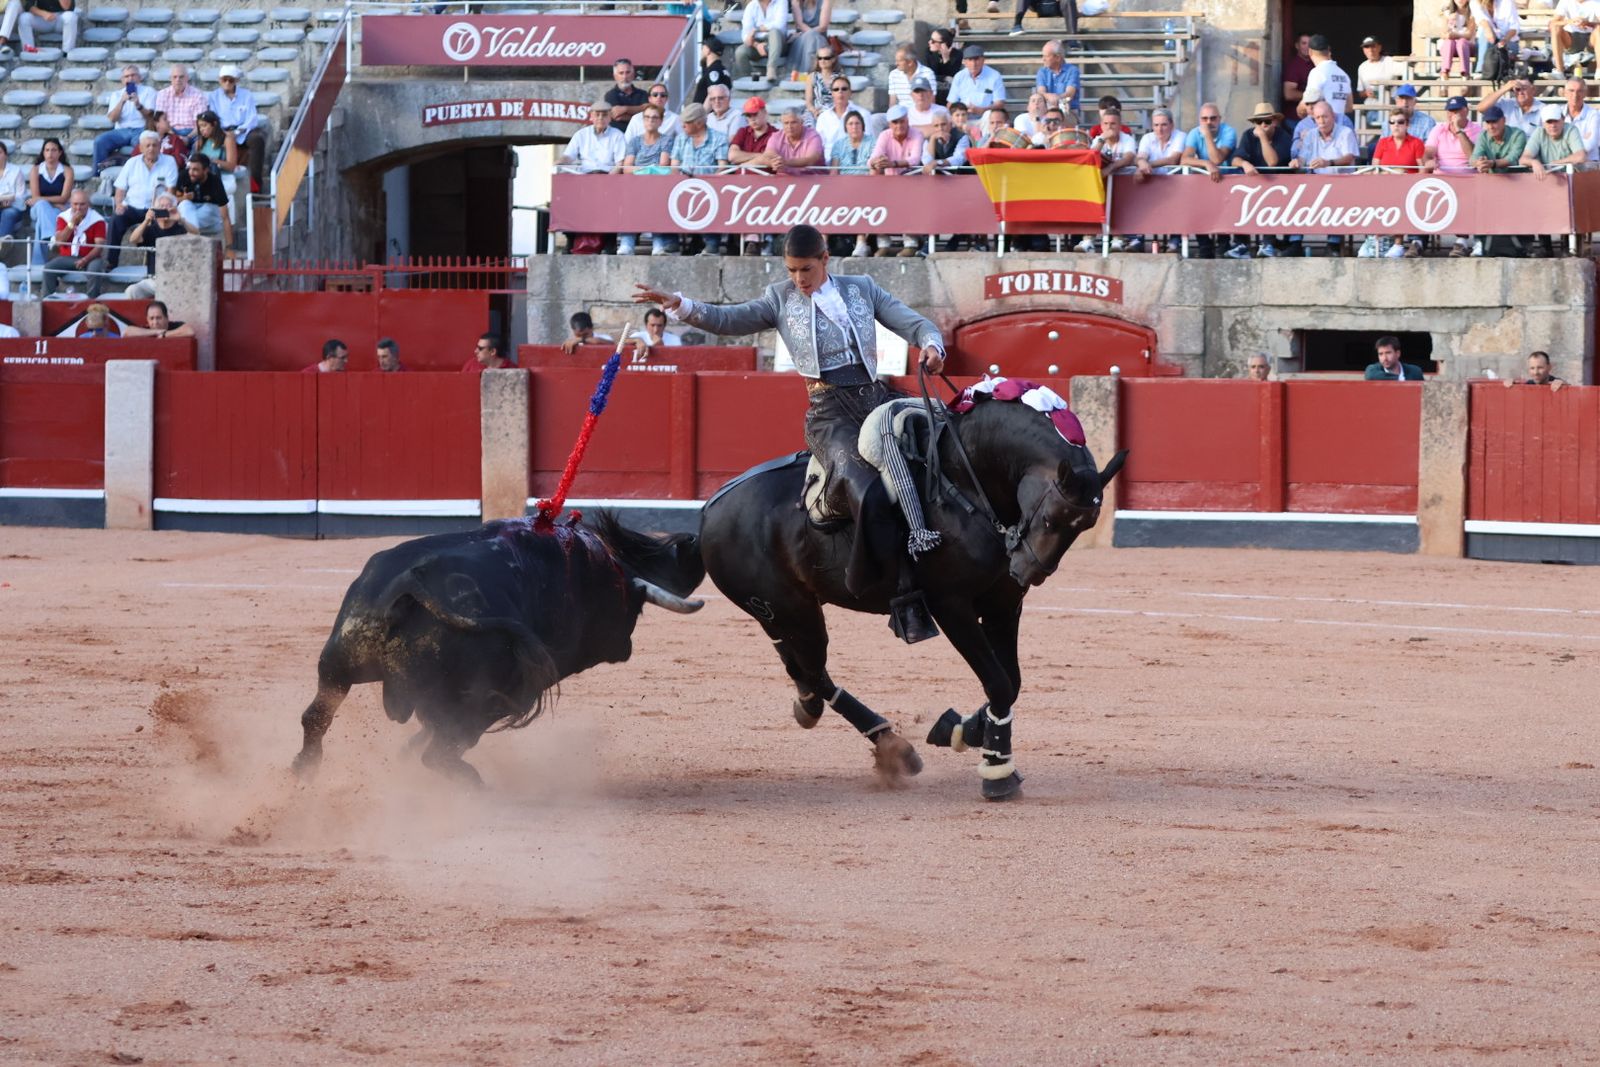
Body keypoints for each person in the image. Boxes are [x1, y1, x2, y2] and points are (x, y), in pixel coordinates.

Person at [633, 223, 949, 644]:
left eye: (806, 269)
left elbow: (912, 323)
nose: (799, 278)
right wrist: (681, 305)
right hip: (829, 412)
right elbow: (729, 319)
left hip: (878, 401)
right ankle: (902, 595)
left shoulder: (862, 288)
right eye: (792, 270)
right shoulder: (778, 298)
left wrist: (932, 345)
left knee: (937, 459)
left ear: (825, 260)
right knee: (867, 488)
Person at [1226, 103, 1293, 258]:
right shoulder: (1248, 135)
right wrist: (1244, 163)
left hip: (1279, 186)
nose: (1263, 125)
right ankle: (1241, 245)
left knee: (1270, 198)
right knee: (1238, 197)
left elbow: (1272, 162)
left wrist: (1262, 137)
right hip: (1255, 184)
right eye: (1258, 122)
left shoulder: (1283, 136)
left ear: (1275, 122)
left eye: (1267, 122)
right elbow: (1235, 159)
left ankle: (1268, 243)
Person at [1520, 104, 1587, 256]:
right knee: (1535, 202)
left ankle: (1568, 247)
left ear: (1563, 119)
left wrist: (1554, 164)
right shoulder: (1539, 132)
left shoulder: (1571, 130)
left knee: (1572, 204)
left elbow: (1581, 156)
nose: (1552, 125)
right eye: (1549, 122)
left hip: (1571, 182)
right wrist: (1534, 162)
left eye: (1556, 121)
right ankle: (1545, 247)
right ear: (1543, 123)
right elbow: (1523, 158)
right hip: (1548, 183)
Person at [1291, 101, 1357, 256]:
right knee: (1295, 197)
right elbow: (1303, 158)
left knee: (1337, 198)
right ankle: (1294, 242)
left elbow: (1349, 157)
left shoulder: (1345, 132)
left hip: (1341, 183)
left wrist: (1328, 162)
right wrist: (1296, 162)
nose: (1321, 121)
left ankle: (1333, 244)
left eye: (1325, 117)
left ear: (1333, 116)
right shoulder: (1311, 134)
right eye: (1318, 118)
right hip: (1316, 182)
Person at [666, 102, 730, 256]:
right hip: (683, 186)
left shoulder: (719, 138)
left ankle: (711, 244)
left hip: (711, 187)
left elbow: (722, 167)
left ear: (699, 123)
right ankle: (671, 243)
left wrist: (709, 182)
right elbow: (674, 166)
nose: (683, 126)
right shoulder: (681, 139)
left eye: (686, 123)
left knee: (711, 198)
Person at [107, 132, 179, 268]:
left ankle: (156, 268)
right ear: (140, 148)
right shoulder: (132, 163)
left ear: (160, 147)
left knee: (160, 227)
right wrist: (119, 204)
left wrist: (163, 209)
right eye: (147, 145)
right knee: (116, 219)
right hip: (132, 207)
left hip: (157, 209)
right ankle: (111, 261)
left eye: (154, 145)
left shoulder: (169, 162)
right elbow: (120, 188)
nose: (151, 148)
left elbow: (170, 191)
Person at [1179, 101, 1236, 258]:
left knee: (1223, 213)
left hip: (1226, 180)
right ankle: (1204, 245)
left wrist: (1207, 136)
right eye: (1204, 119)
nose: (1209, 122)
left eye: (1213, 118)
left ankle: (1223, 244)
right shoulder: (1194, 133)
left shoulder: (1229, 132)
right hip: (1204, 181)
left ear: (1220, 119)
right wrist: (1205, 163)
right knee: (1196, 207)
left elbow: (1217, 158)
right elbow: (1184, 159)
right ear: (1199, 120)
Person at [619, 104, 674, 256]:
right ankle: (626, 244)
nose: (650, 121)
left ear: (661, 121)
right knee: (628, 203)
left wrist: (641, 169)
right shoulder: (635, 141)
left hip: (658, 185)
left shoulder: (666, 140)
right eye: (647, 117)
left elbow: (663, 165)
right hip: (635, 186)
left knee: (656, 203)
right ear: (643, 120)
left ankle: (658, 245)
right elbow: (626, 168)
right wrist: (648, 169)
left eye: (655, 118)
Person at [1372, 109, 1428, 257]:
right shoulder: (1383, 143)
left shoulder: (1416, 143)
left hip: (1409, 188)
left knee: (1405, 200)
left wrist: (1405, 176)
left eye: (1400, 122)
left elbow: (1423, 170)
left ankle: (1400, 244)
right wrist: (1391, 173)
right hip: (1385, 188)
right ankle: (1380, 243)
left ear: (1407, 125)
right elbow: (1375, 168)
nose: (1396, 125)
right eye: (1392, 122)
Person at [119, 191, 196, 297]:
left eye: (168, 206)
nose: (165, 209)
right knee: (132, 291)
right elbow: (133, 239)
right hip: (154, 280)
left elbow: (197, 236)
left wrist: (181, 219)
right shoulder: (151, 229)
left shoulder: (181, 228)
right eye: (161, 206)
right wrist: (146, 221)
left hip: (176, 278)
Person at [206, 65, 267, 194]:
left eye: (231, 80)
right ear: (219, 80)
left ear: (236, 81)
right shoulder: (214, 96)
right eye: (224, 80)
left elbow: (252, 118)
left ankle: (256, 185)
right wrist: (226, 133)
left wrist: (238, 131)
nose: (227, 83)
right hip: (222, 131)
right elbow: (213, 117)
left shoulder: (246, 95)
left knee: (257, 139)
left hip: (242, 130)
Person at [94, 65, 158, 175]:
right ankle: (98, 174)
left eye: (133, 75)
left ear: (139, 77)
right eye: (127, 76)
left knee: (142, 144)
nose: (130, 79)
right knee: (100, 141)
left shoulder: (149, 91)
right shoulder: (117, 95)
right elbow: (112, 119)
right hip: (121, 131)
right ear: (122, 80)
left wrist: (138, 105)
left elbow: (151, 116)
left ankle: (141, 175)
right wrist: (122, 101)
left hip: (141, 128)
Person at [41, 189, 105, 297]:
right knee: (48, 269)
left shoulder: (97, 220)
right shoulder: (63, 217)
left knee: (94, 271)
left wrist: (85, 259)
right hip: (68, 257)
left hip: (90, 257)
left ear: (88, 204)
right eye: (75, 204)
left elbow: (99, 246)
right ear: (71, 204)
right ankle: (48, 301)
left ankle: (92, 303)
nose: (78, 208)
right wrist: (72, 223)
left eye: (82, 204)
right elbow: (60, 241)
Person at [28, 137, 72, 265]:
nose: (50, 153)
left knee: (40, 225)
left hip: (61, 208)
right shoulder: (36, 170)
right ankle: (54, 237)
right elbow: (36, 197)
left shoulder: (67, 171)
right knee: (42, 205)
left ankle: (38, 264)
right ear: (43, 153)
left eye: (53, 150)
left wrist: (55, 202)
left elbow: (64, 197)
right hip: (41, 209)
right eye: (47, 150)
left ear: (60, 153)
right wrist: (56, 203)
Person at [173, 153, 231, 243]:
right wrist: (184, 198)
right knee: (185, 204)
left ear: (206, 170)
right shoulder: (184, 175)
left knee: (207, 209)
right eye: (190, 168)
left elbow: (225, 216)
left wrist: (229, 246)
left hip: (211, 219)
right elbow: (174, 200)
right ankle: (194, 236)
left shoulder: (215, 181)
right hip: (191, 212)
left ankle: (190, 231)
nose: (191, 172)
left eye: (195, 169)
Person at [736, 0, 787, 86]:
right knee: (740, 52)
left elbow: (779, 24)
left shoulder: (781, 2)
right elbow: (746, 35)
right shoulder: (751, 6)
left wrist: (757, 29)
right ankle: (748, 81)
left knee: (774, 32)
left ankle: (771, 69)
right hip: (757, 42)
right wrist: (756, 45)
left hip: (778, 43)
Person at [1300, 35, 1352, 120]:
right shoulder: (1344, 74)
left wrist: (1300, 108)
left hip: (1322, 126)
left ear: (1310, 52)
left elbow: (1307, 107)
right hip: (1340, 125)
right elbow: (1349, 107)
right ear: (1328, 50)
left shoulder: (1317, 73)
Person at [0, 0, 78, 56]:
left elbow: (66, 7)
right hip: (43, 19)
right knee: (24, 17)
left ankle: (67, 52)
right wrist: (43, 14)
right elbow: (28, 6)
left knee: (71, 17)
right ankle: (29, 51)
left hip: (61, 18)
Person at [816, 78, 869, 155]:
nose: (840, 92)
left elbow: (868, 142)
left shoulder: (863, 114)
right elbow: (818, 145)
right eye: (836, 89)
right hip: (828, 161)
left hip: (854, 161)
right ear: (832, 94)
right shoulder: (823, 117)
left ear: (850, 92)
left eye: (844, 89)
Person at [154, 65, 206, 137]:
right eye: (175, 77)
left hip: (193, 132)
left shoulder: (198, 95)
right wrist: (177, 138)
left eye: (181, 77)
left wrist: (187, 138)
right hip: (170, 131)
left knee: (198, 145)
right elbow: (161, 122)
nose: (178, 79)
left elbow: (201, 123)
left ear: (187, 78)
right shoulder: (162, 95)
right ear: (170, 79)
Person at [949, 45, 1006, 110]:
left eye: (976, 59)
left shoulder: (994, 75)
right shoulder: (959, 76)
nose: (973, 64)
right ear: (964, 62)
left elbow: (1000, 103)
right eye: (970, 60)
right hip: (963, 115)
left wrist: (982, 110)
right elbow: (951, 102)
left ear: (983, 60)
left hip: (986, 115)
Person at [1561, 75, 1600, 161]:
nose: (1575, 95)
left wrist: (1564, 144)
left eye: (1580, 91)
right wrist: (1582, 140)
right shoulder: (1558, 113)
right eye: (1571, 91)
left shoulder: (1593, 115)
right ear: (1564, 93)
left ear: (1585, 94)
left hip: (1588, 164)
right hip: (1562, 164)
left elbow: (1590, 145)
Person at [119, 300, 195, 339]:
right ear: (147, 320)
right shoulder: (146, 330)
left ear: (166, 318)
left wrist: (165, 334)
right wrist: (156, 332)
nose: (155, 322)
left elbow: (190, 331)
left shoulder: (174, 326)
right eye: (151, 318)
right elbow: (126, 332)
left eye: (158, 318)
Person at [888, 45, 934, 109]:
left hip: (920, 112)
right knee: (876, 118)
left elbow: (931, 100)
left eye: (899, 61)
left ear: (910, 62)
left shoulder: (928, 73)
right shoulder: (893, 74)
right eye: (896, 60)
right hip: (901, 115)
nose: (896, 63)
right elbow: (892, 102)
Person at [924, 27, 963, 104]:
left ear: (943, 44)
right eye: (930, 39)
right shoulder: (929, 53)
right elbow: (930, 74)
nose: (929, 42)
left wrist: (946, 59)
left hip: (950, 91)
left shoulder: (957, 54)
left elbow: (952, 76)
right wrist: (945, 77)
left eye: (933, 41)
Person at [604, 58, 649, 123]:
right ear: (615, 76)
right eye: (621, 73)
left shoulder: (642, 93)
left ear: (633, 74)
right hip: (619, 132)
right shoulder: (610, 95)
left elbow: (647, 111)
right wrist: (640, 111)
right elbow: (617, 117)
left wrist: (625, 109)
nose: (625, 77)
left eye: (627, 72)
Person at [803, 47, 844, 117]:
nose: (822, 61)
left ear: (833, 59)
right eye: (820, 58)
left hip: (835, 112)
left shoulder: (841, 78)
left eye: (826, 58)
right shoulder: (812, 77)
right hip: (816, 112)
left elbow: (844, 99)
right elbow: (809, 102)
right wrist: (814, 111)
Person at [1442, 0, 1476, 79]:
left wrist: (1456, 35)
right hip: (1451, 47)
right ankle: (1445, 71)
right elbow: (1443, 34)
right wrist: (1450, 23)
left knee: (1462, 42)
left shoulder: (1472, 13)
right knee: (1449, 42)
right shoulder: (1448, 13)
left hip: (1466, 46)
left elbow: (1469, 35)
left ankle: (1465, 72)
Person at [0, 141, 26, 244]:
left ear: (6, 155)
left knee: (8, 213)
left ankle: (2, 245)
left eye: (0, 152)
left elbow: (21, 197)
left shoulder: (16, 171)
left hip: (13, 207)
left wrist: (10, 201)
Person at [1283, 32, 1313, 114]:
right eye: (1304, 43)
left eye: (1310, 44)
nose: (1307, 47)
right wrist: (1315, 96)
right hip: (1296, 117)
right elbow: (1289, 94)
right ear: (1297, 46)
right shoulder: (1293, 66)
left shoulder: (1314, 64)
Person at [693, 37, 728, 104]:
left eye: (702, 48)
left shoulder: (714, 71)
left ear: (708, 50)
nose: (701, 52)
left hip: (706, 113)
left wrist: (702, 113)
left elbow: (713, 95)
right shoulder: (721, 69)